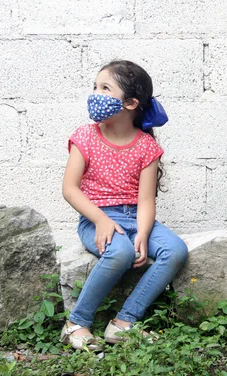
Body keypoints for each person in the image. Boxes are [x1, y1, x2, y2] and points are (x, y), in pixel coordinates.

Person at [60, 60, 189, 350]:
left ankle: (123, 323)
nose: (96, 94)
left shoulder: (146, 146)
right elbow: (70, 189)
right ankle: (76, 322)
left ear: (131, 103)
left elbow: (145, 199)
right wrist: (102, 221)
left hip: (136, 217)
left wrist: (143, 233)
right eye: (95, 86)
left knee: (175, 250)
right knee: (119, 252)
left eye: (105, 88)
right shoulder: (85, 137)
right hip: (97, 218)